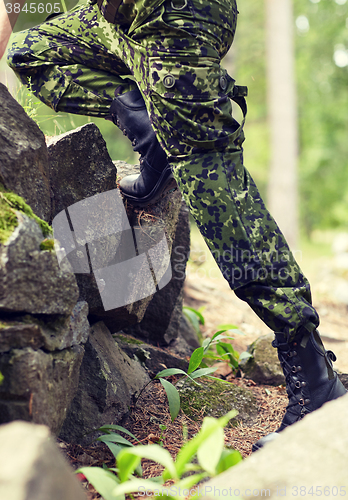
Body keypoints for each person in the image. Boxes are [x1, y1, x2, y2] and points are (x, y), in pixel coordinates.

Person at [1, 0, 346, 451]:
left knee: (220, 198)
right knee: (35, 50)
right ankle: (155, 139)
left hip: (175, 19)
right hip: (119, 23)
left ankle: (312, 370)